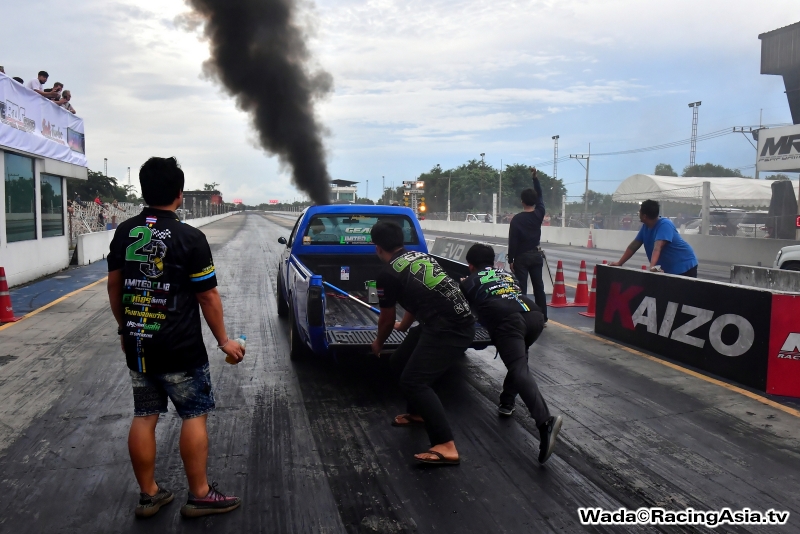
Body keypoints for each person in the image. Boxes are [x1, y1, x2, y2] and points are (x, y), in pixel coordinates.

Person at [107, 157, 243, 518]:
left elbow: (115, 286)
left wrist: (124, 327)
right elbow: (207, 296)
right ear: (180, 194)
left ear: (143, 191)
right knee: (194, 414)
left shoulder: (125, 231)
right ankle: (199, 495)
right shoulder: (190, 237)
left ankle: (149, 494)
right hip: (180, 346)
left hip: (139, 342)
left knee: (144, 415)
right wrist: (224, 341)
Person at [370, 220, 475, 466]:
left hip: (449, 329)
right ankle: (417, 413)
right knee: (399, 361)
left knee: (415, 381)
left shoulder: (387, 274)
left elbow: (386, 320)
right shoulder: (420, 257)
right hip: (449, 321)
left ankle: (446, 445)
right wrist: (404, 326)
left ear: (377, 248)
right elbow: (417, 299)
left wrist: (378, 343)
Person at [460, 244, 562, 464]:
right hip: (534, 316)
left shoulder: (469, 281)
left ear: (470, 265)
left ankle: (545, 421)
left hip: (508, 321)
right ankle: (507, 401)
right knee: (520, 358)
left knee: (518, 367)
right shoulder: (507, 274)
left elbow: (464, 311)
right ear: (493, 262)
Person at [611, 199, 698, 277]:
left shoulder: (665, 224)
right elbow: (634, 246)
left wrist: (652, 267)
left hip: (685, 264)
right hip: (669, 268)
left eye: (639, 212)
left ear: (644, 216)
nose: (638, 214)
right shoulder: (645, 227)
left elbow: (658, 247)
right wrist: (619, 263)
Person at [507, 167, 547, 324]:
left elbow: (513, 241)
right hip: (536, 255)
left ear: (522, 201)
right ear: (535, 201)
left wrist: (511, 259)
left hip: (521, 257)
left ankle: (524, 317)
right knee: (539, 288)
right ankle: (542, 317)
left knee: (521, 289)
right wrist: (535, 178)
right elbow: (541, 196)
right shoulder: (539, 214)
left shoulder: (517, 219)